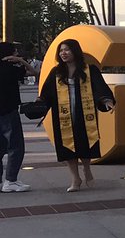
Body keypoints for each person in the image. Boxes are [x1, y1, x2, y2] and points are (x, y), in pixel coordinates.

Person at [38, 39, 116, 192]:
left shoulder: (89, 70)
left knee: (85, 142)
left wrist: (106, 100)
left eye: (67, 50)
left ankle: (87, 170)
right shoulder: (56, 72)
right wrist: (39, 103)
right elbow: (46, 93)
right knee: (67, 146)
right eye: (61, 51)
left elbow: (99, 87)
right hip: (62, 116)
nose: (63, 53)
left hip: (83, 113)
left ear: (75, 51)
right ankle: (75, 178)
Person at [0, 42, 33, 192]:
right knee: (16, 146)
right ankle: (11, 180)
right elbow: (34, 72)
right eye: (15, 52)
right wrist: (21, 61)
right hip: (9, 110)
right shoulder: (11, 68)